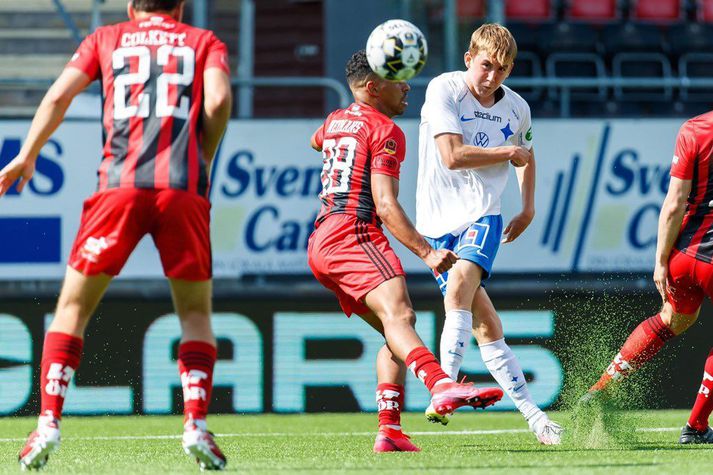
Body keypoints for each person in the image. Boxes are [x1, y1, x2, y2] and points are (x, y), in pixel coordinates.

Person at [0, 0, 232, 470]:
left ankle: (47, 422)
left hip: (118, 189)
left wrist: (28, 153)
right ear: (181, 6)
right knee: (194, 315)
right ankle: (195, 425)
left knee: (72, 308)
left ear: (130, 6)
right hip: (182, 190)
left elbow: (58, 97)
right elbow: (218, 101)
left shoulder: (105, 39)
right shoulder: (203, 41)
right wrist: (202, 153)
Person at [307, 50, 504, 453]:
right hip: (354, 231)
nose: (407, 86)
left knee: (394, 333)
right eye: (398, 79)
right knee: (402, 316)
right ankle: (441, 385)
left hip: (321, 240)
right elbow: (385, 205)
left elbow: (317, 141)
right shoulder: (386, 131)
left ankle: (390, 431)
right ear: (372, 87)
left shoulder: (334, 120)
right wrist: (426, 252)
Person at [415, 23, 563, 445]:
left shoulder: (517, 108)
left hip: (483, 213)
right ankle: (535, 417)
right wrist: (507, 152)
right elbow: (451, 156)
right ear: (468, 60)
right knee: (486, 323)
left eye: (501, 69)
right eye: (485, 66)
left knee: (459, 285)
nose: (491, 76)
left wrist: (528, 206)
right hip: (436, 220)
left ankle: (442, 386)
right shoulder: (445, 90)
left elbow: (527, 155)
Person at [583, 111, 713, 445]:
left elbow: (674, 203)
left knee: (672, 318)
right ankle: (696, 427)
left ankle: (601, 389)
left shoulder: (694, 129)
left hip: (684, 255)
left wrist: (660, 260)